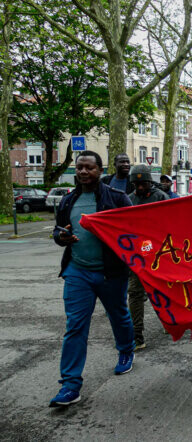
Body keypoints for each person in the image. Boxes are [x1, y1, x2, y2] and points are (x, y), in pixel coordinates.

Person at [49, 151, 135, 407]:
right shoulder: (68, 200)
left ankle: (126, 350)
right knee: (75, 326)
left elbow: (133, 231)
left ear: (100, 170)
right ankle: (70, 385)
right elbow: (59, 230)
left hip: (110, 273)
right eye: (79, 168)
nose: (83, 172)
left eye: (89, 167)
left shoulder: (118, 198)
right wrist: (61, 237)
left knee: (118, 315)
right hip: (78, 271)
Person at [127, 165, 169, 350]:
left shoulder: (161, 197)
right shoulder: (128, 200)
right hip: (136, 256)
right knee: (135, 293)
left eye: (143, 183)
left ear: (150, 182)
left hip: (158, 255)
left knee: (162, 290)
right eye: (136, 184)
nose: (140, 187)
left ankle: (170, 321)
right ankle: (136, 335)